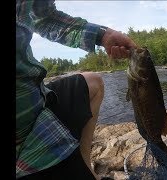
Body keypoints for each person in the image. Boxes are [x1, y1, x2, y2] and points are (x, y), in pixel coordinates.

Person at [16, 0, 137, 179]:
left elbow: (44, 18)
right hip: (22, 137)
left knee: (94, 82)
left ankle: (85, 165)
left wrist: (103, 35)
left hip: (39, 100)